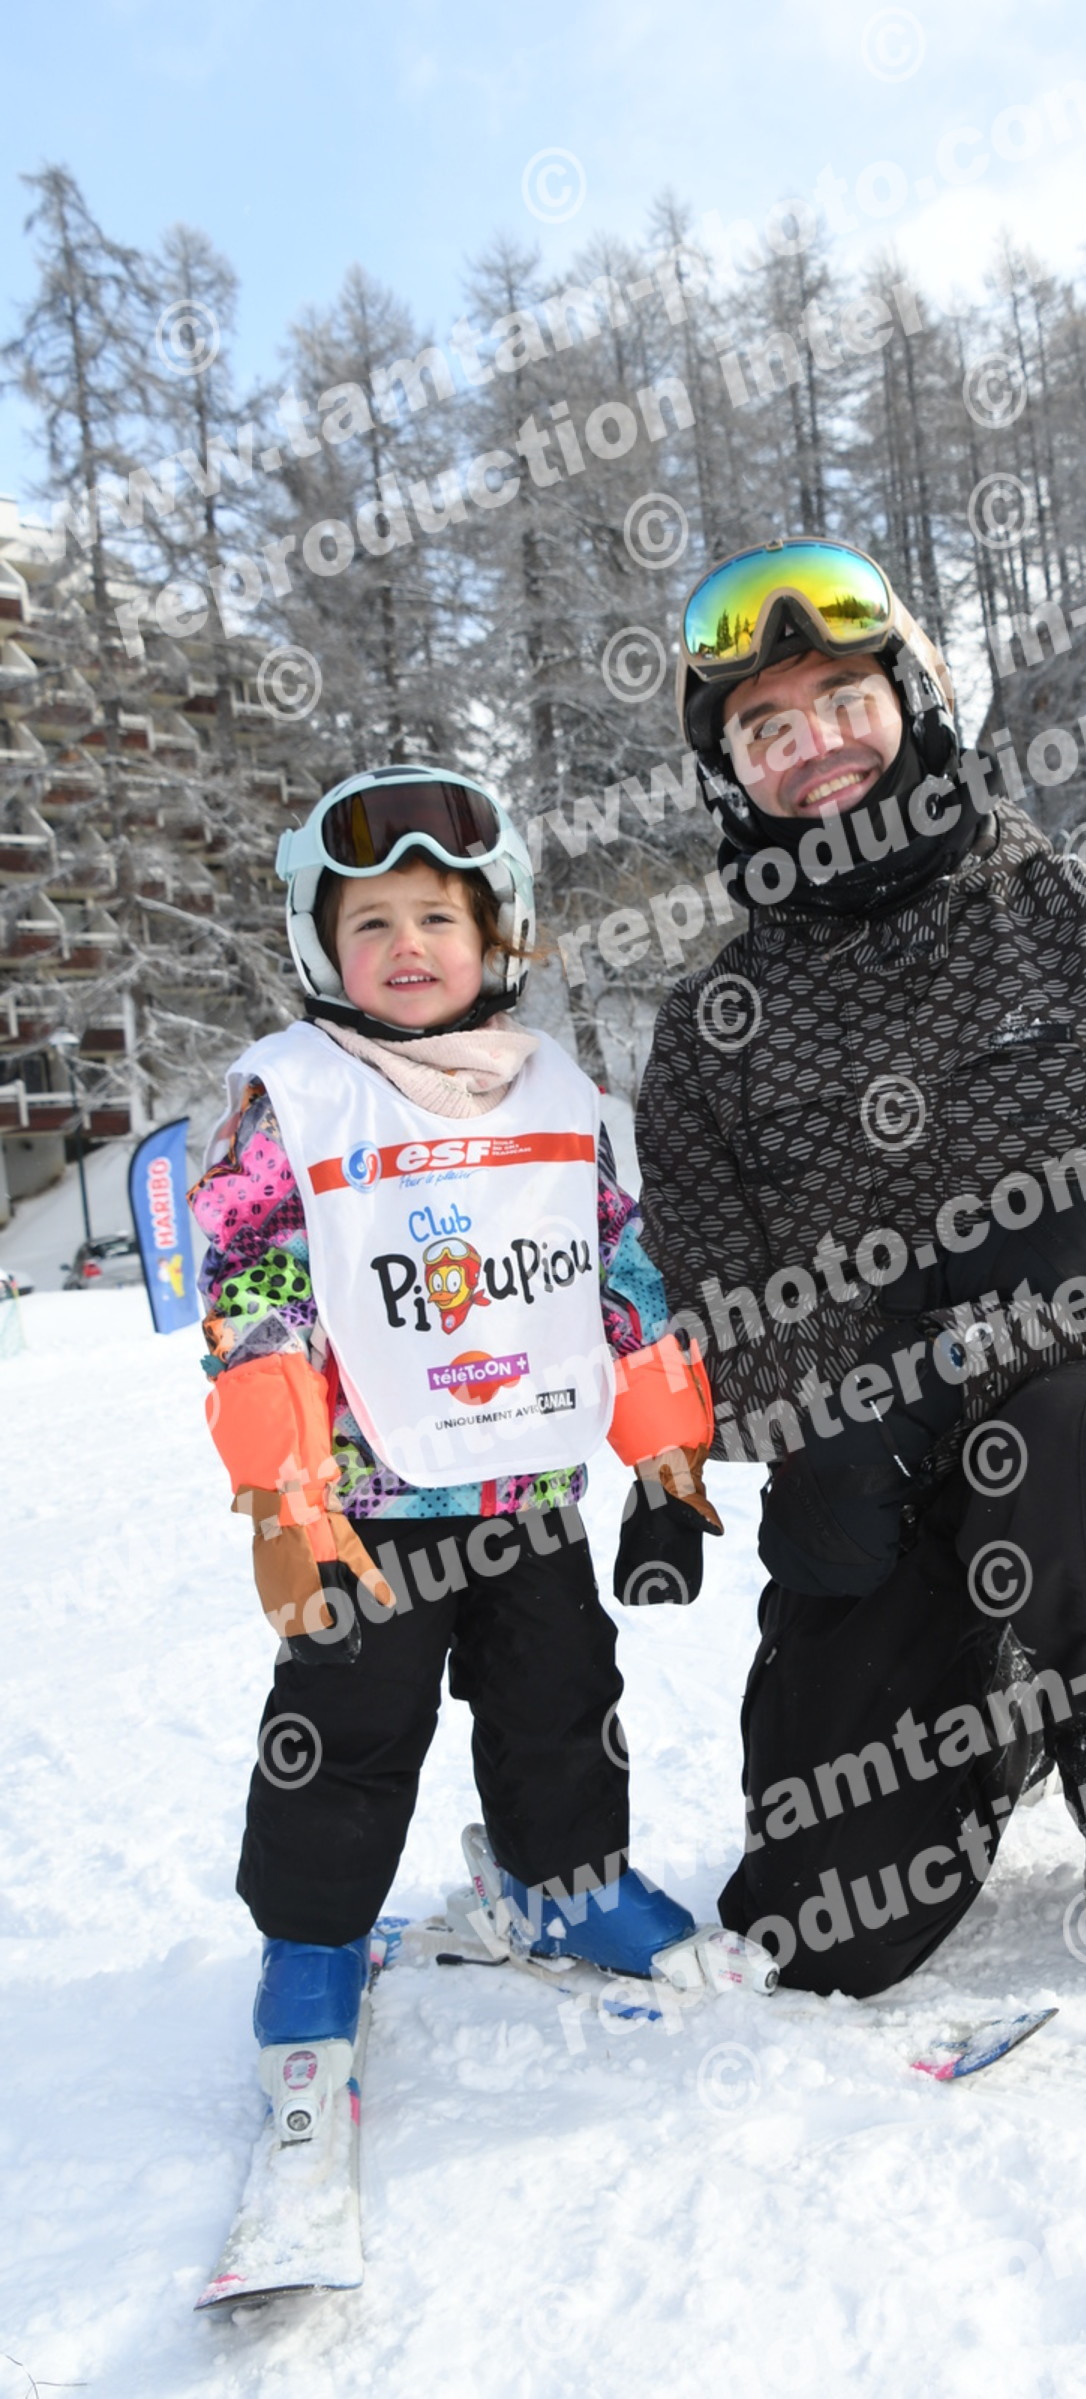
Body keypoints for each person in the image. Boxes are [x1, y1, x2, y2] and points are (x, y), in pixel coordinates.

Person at [634, 538, 1086, 1998]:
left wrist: (952, 1343)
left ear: (916, 701)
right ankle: (1001, 1706)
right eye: (765, 727)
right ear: (730, 773)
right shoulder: (707, 1034)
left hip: (1082, 1457)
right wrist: (948, 1315)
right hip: (875, 1480)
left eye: (843, 700)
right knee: (824, 1927)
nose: (814, 747)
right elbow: (721, 1341)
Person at [192, 763, 736, 2088]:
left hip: (527, 1488)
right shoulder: (295, 1097)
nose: (408, 944)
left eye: (438, 916)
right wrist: (282, 1495)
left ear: (496, 934)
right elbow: (255, 1298)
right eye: (370, 922)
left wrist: (666, 1457)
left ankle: (568, 1884)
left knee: (563, 1703)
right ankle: (313, 1938)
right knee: (346, 1731)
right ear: (321, 946)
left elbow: (617, 1271)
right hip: (365, 1511)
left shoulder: (552, 1091)